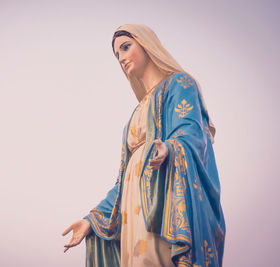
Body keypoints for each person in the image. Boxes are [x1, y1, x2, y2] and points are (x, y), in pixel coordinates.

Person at [62, 24, 226, 267]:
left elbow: (191, 131)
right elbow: (123, 180)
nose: (122, 58)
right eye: (117, 55)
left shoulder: (179, 84)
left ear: (147, 45)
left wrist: (170, 148)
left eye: (126, 48)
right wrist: (91, 220)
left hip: (161, 202)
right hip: (132, 208)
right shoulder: (136, 112)